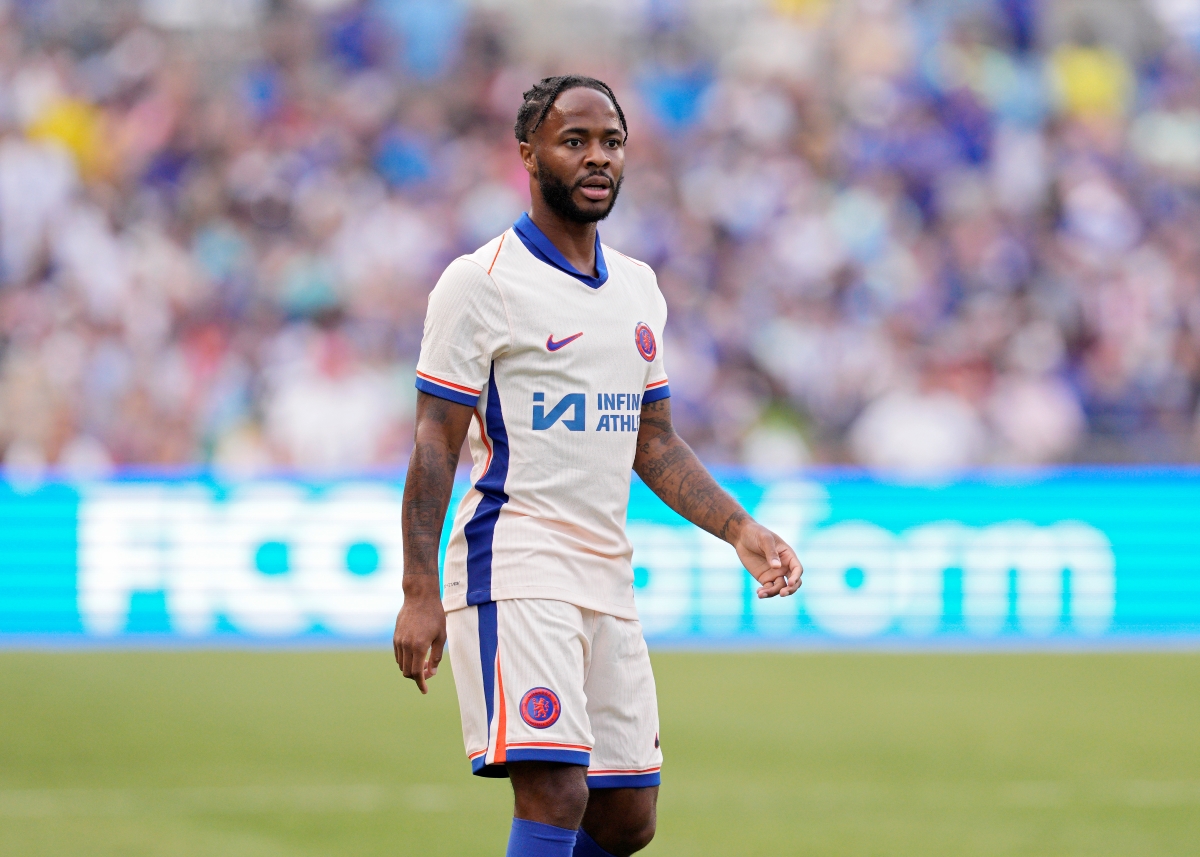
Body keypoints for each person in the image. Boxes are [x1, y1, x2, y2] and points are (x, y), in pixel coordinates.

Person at [393, 75, 804, 857]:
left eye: (610, 142)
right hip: (512, 560)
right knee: (555, 788)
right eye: (573, 140)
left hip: (606, 573)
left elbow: (654, 440)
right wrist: (419, 593)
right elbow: (434, 441)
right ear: (528, 153)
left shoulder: (640, 290)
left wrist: (739, 528)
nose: (596, 158)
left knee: (627, 817)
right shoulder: (480, 283)